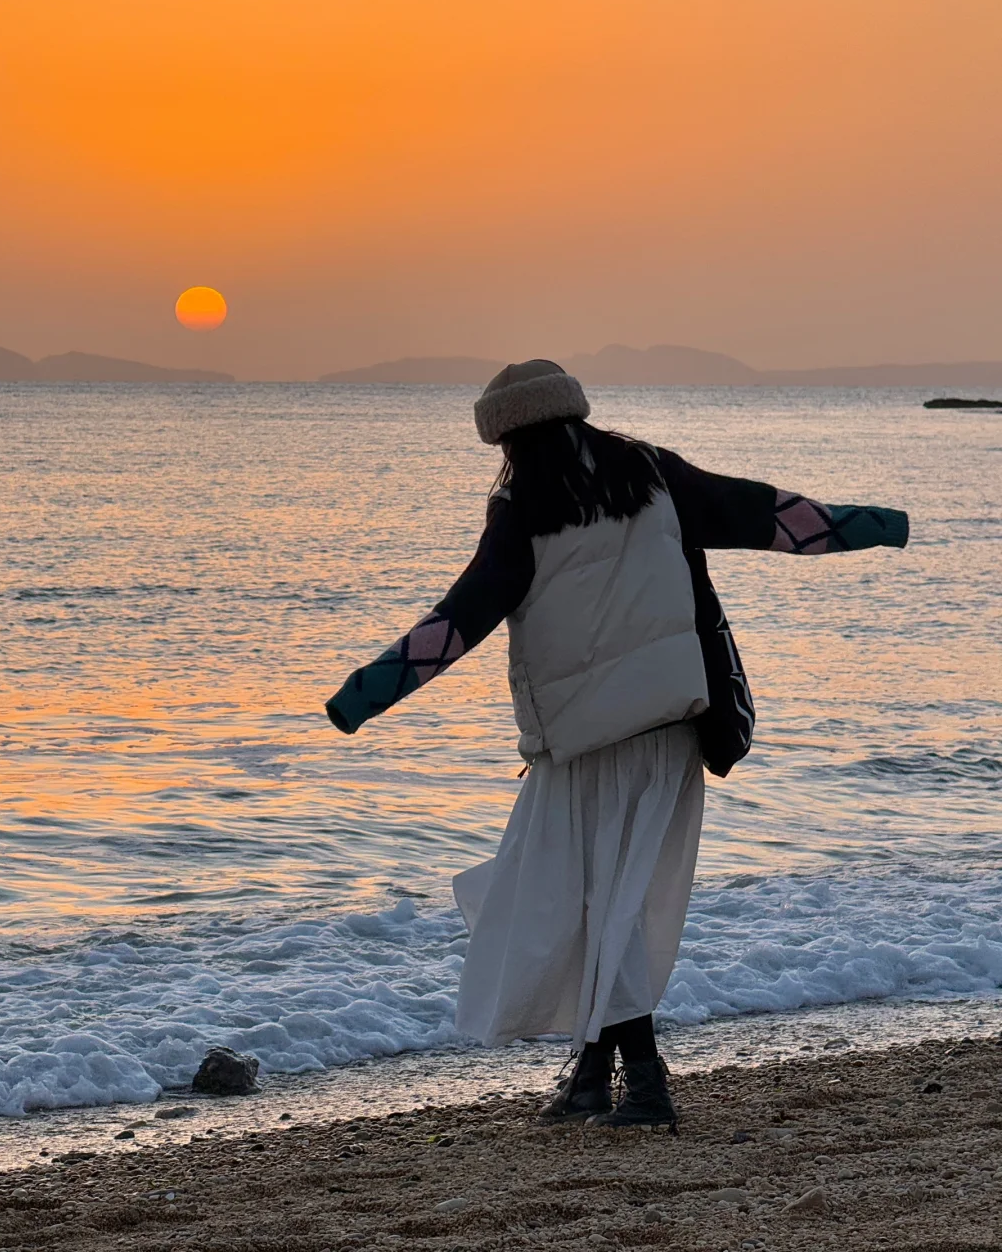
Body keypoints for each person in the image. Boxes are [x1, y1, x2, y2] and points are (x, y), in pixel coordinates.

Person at [325, 360, 909, 1131]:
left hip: (587, 747)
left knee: (588, 907)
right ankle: (593, 1081)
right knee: (601, 907)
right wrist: (873, 525)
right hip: (669, 731)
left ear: (506, 438)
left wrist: (367, 691)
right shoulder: (651, 474)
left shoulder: (522, 507)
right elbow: (770, 516)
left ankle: (647, 1084)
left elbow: (461, 618)